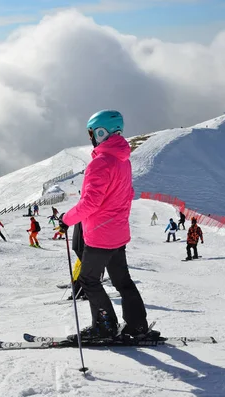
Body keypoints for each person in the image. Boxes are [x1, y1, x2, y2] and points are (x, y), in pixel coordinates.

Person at [60, 109, 151, 341]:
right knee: (123, 281)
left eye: (92, 133)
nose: (91, 137)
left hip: (101, 235)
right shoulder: (123, 161)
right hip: (117, 233)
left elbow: (89, 203)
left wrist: (65, 220)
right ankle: (137, 325)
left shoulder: (100, 163)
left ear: (100, 133)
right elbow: (127, 195)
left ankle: (104, 326)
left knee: (88, 279)